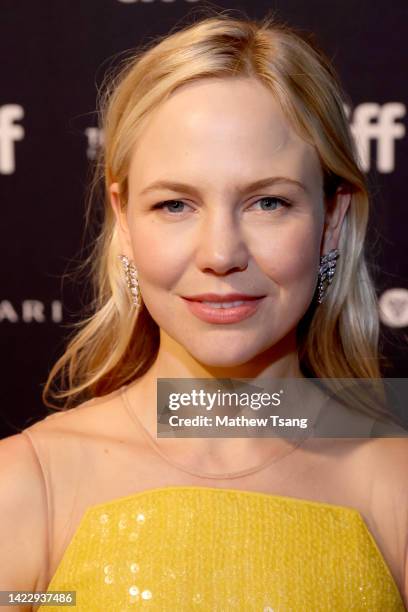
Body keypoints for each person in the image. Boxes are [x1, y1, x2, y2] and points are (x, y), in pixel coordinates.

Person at [1, 12, 407, 611]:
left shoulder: (397, 486)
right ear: (124, 222)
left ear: (332, 222)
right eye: (174, 205)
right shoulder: (24, 489)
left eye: (268, 202)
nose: (221, 253)